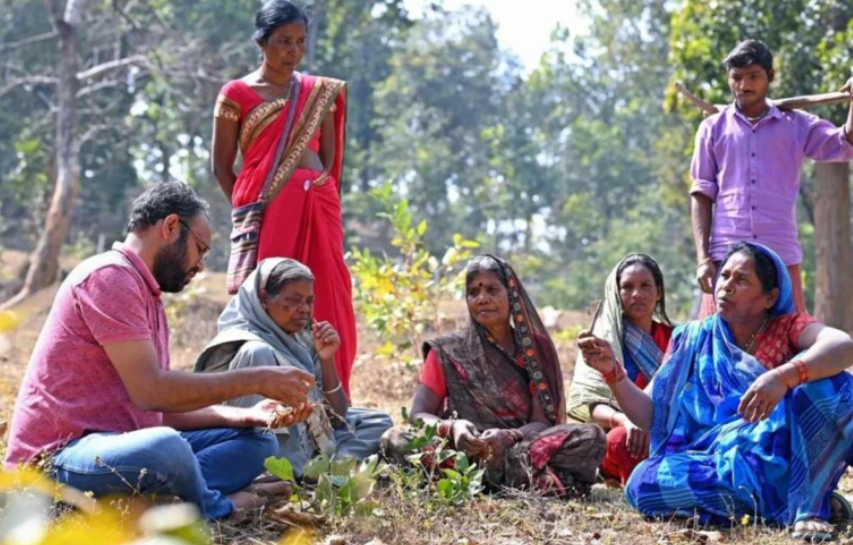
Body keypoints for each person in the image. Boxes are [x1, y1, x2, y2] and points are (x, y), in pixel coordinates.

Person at [4, 183, 318, 521]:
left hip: (121, 449)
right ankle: (222, 507)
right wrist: (255, 379)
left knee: (260, 442)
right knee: (166, 447)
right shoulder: (110, 277)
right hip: (57, 459)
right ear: (170, 227)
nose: (200, 266)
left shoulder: (145, 292)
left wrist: (243, 416)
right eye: (201, 248)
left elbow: (154, 412)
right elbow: (152, 392)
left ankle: (156, 506)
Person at [579, 242, 853, 542]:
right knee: (642, 484)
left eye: (742, 280)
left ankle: (809, 506)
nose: (727, 287)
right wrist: (613, 373)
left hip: (783, 455)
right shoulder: (694, 336)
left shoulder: (787, 327)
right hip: (719, 460)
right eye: (724, 276)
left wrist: (784, 377)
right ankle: (782, 502)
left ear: (770, 297)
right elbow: (648, 415)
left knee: (831, 386)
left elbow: (841, 345)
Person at [210, 0, 356, 397]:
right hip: (270, 212)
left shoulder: (318, 92)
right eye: (283, 41)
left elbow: (329, 162)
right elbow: (222, 167)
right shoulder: (236, 93)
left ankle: (331, 399)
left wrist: (317, 188)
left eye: (300, 42)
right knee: (272, 299)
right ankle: (270, 396)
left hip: (318, 206)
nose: (293, 51)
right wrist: (253, 208)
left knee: (327, 296)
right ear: (261, 42)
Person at [381, 255, 605, 496]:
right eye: (473, 292)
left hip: (517, 449)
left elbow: (542, 423)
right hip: (461, 452)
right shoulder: (447, 350)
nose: (482, 298)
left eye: (492, 289)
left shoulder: (534, 350)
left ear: (511, 295)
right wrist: (452, 427)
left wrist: (508, 437)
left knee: (591, 436)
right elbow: (419, 414)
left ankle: (473, 481)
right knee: (395, 438)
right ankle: (525, 481)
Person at [691, 39, 853, 318]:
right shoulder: (712, 128)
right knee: (715, 347)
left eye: (753, 76)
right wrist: (703, 259)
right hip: (725, 259)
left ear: (770, 77)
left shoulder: (798, 125)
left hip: (780, 256)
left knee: (788, 342)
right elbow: (702, 193)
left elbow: (845, 144)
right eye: (736, 77)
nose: (744, 85)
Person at [195, 257, 393, 476]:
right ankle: (287, 472)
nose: (304, 309)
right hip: (265, 444)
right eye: (295, 300)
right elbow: (236, 421)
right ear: (263, 298)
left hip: (309, 435)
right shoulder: (243, 343)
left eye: (309, 301)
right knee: (258, 353)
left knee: (378, 421)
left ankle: (324, 469)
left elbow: (338, 416)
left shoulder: (304, 338)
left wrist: (327, 359)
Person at [567, 254, 674, 485]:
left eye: (645, 285)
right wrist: (625, 420)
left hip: (668, 427)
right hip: (625, 431)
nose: (637, 294)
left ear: (659, 292)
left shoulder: (676, 338)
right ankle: (638, 486)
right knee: (619, 440)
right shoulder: (604, 341)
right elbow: (592, 403)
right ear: (617, 293)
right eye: (627, 287)